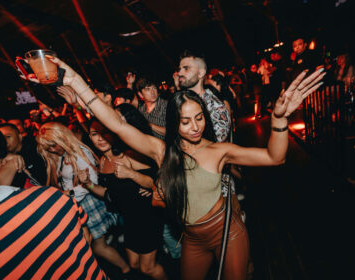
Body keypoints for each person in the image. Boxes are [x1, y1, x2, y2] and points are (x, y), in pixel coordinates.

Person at [45, 56, 324, 279]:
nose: (195, 127)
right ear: (173, 123)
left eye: (200, 118)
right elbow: (116, 125)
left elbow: (275, 157)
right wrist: (77, 81)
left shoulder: (218, 150)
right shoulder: (162, 151)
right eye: (186, 121)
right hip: (192, 238)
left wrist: (278, 119)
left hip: (227, 232)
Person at [0, 129, 108, 279]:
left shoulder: (60, 162)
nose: (51, 149)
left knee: (102, 245)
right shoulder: (52, 196)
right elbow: (85, 239)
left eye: (53, 145)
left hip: (81, 201)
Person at [35, 122, 131, 276]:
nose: (52, 149)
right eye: (48, 147)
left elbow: (91, 182)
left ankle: (127, 270)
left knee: (97, 246)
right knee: (96, 243)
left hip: (89, 202)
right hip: (80, 204)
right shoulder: (62, 155)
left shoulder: (80, 153)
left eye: (54, 145)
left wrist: (67, 194)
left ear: (63, 138)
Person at [84, 106, 167, 280]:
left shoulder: (127, 154)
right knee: (134, 264)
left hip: (147, 216)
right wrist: (88, 185)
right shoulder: (102, 161)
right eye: (94, 134)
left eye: (105, 132)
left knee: (147, 268)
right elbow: (109, 193)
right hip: (129, 220)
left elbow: (158, 183)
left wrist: (132, 174)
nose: (100, 138)